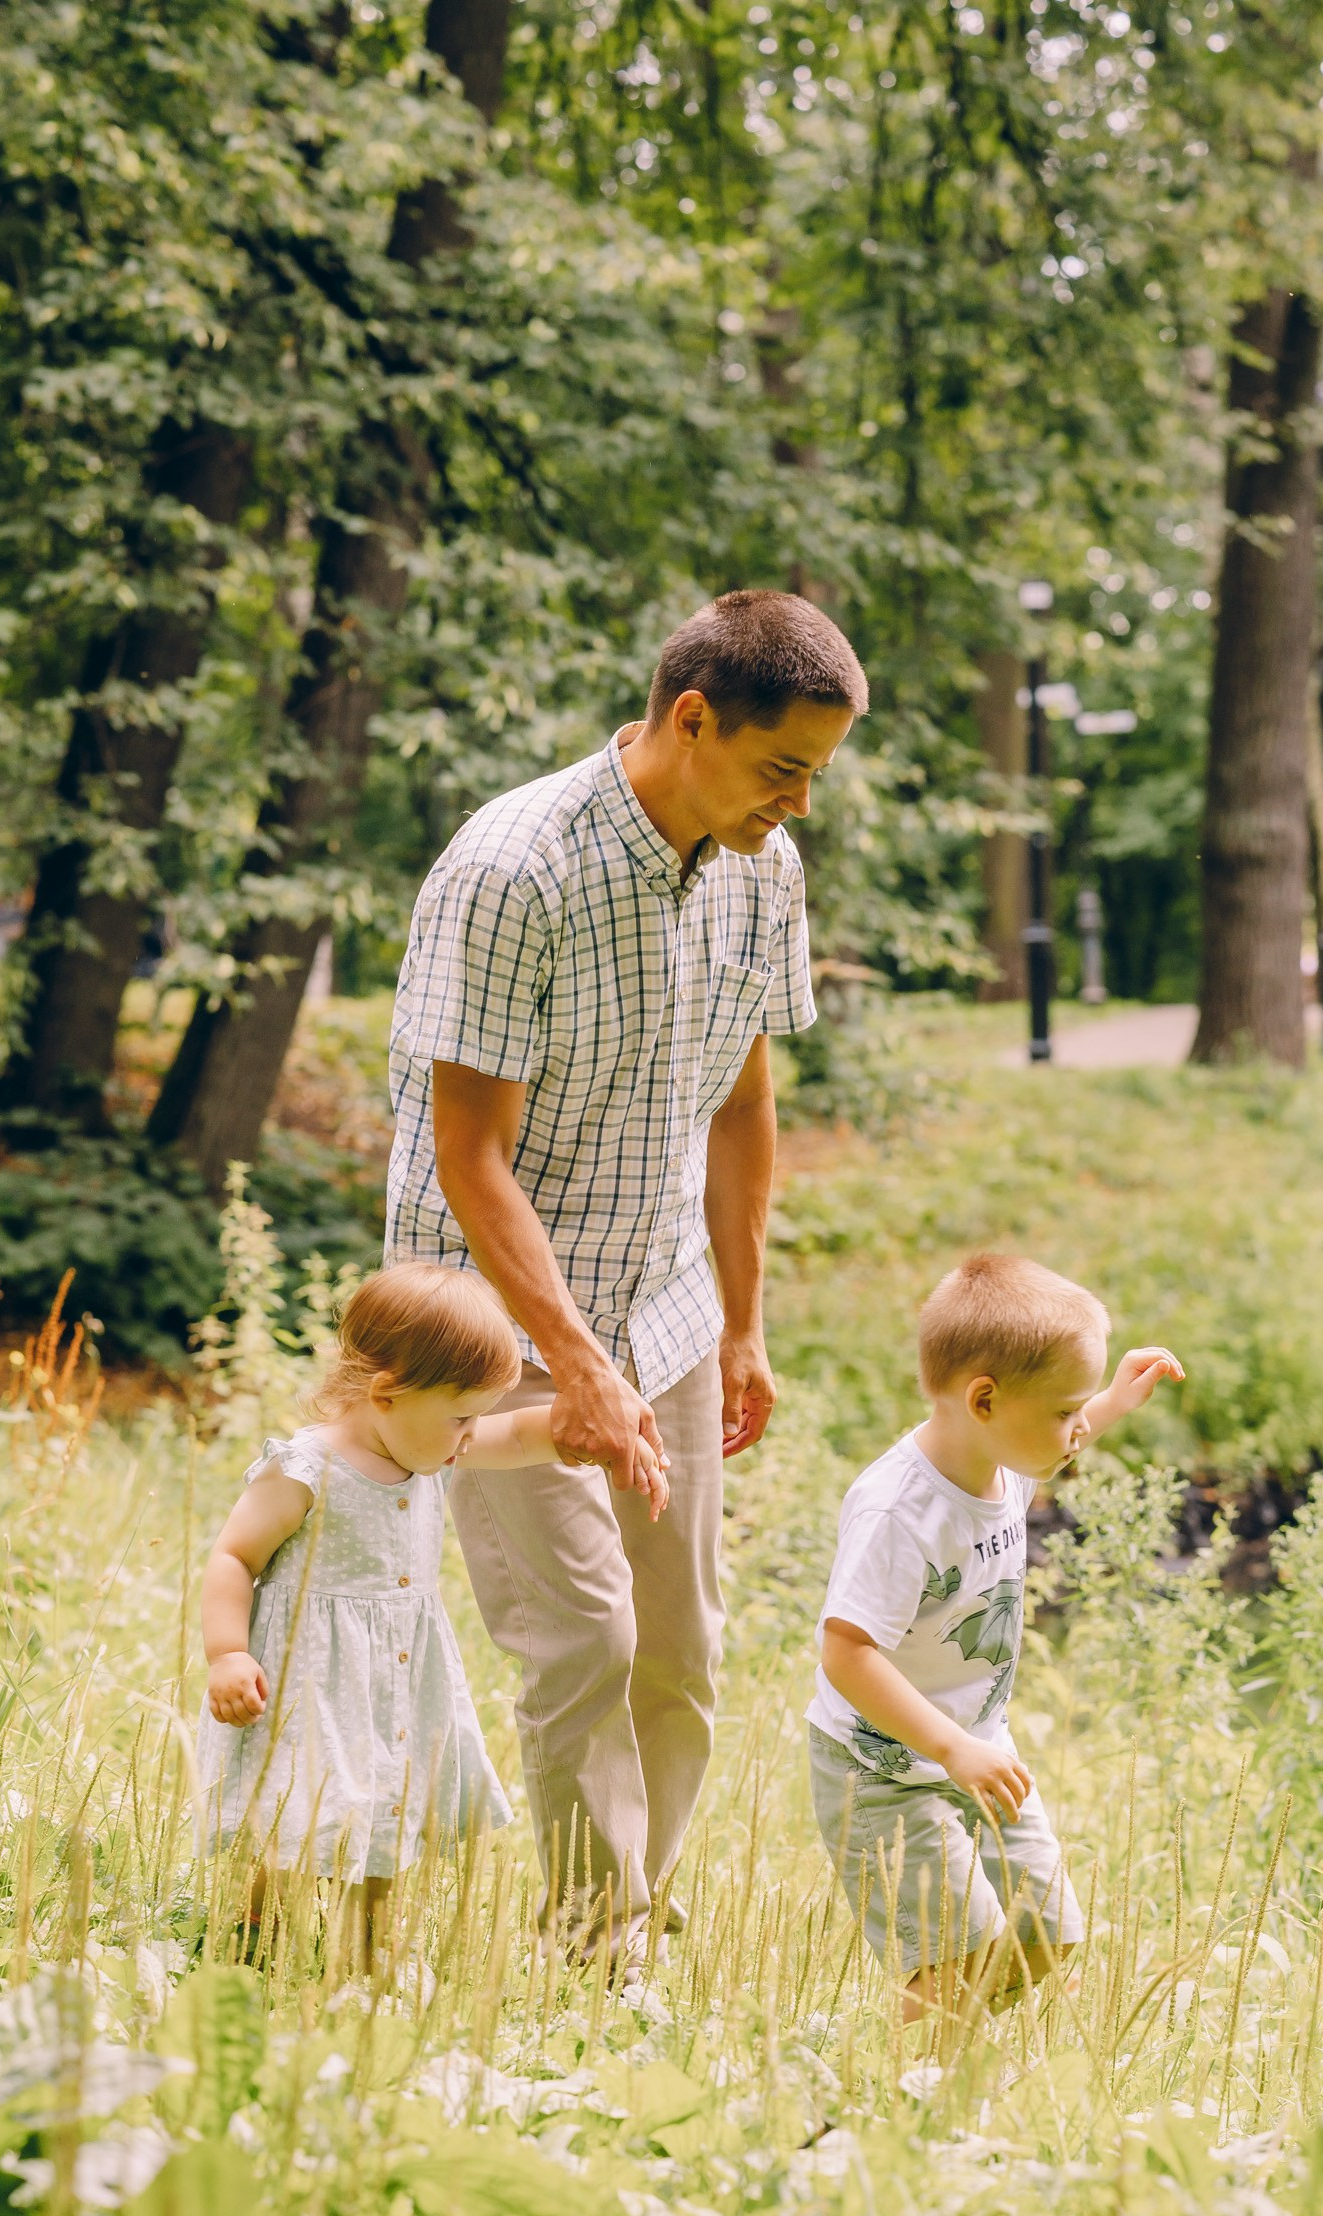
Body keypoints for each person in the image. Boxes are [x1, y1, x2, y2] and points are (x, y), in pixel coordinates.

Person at [385, 589, 869, 1952]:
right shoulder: (512, 871)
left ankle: (628, 1915)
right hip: (493, 1331)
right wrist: (576, 1368)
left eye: (816, 776)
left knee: (682, 1646)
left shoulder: (764, 867)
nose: (799, 804)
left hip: (668, 1310)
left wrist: (743, 1326)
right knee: (582, 1640)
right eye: (783, 768)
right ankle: (600, 1953)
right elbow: (469, 1158)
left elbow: (745, 1105)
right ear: (692, 718)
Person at [194, 1262, 668, 1963]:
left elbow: (517, 1437)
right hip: (310, 1683)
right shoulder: (306, 1470)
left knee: (390, 1800)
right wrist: (228, 1653)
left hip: (396, 1678)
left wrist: (590, 1434)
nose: (471, 1435)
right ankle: (255, 1932)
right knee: (298, 1810)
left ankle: (366, 1950)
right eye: (462, 1416)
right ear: (386, 1394)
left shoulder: (426, 1446)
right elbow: (234, 1558)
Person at [808, 1251, 1184, 2042]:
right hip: (886, 1770)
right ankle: (911, 2086)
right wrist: (951, 1748)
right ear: (984, 1399)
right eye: (1065, 1410)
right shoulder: (900, 1513)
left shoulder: (1003, 1458)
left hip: (978, 1752)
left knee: (1046, 1936)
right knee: (952, 1965)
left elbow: (1048, 1431)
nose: (1076, 1430)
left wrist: (1113, 1400)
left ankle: (948, 2063)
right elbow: (846, 1654)